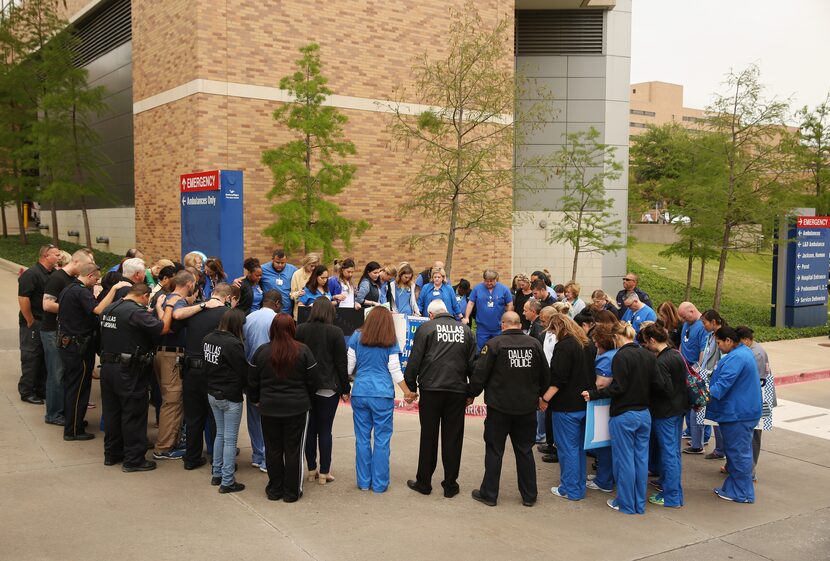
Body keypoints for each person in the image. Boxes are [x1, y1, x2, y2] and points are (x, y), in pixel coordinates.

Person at [467, 312, 549, 507]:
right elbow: (545, 374)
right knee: (525, 451)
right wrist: (543, 397)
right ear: (519, 325)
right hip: (527, 408)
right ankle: (529, 495)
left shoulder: (494, 345)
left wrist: (470, 394)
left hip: (499, 408)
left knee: (495, 450)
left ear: (503, 325)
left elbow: (480, 374)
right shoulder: (534, 344)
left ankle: (489, 494)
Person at [405, 300, 476, 498]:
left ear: (431, 314)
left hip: (431, 389)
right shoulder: (466, 331)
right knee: (453, 438)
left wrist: (411, 387)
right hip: (456, 390)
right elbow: (474, 364)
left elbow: (415, 358)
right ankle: (450, 485)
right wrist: (471, 392)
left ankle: (424, 483)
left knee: (428, 435)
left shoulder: (426, 328)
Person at [99, 283, 174, 472]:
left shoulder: (110, 308)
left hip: (108, 367)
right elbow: (162, 328)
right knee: (133, 413)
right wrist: (167, 307)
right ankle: (134, 460)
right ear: (144, 296)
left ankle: (112, 454)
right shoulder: (135, 312)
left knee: (112, 413)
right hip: (129, 370)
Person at [583, 323, 655, 514]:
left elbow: (618, 387)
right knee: (640, 460)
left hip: (624, 414)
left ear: (616, 337)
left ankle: (625, 503)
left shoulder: (621, 356)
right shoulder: (648, 355)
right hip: (644, 414)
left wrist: (594, 394)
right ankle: (638, 503)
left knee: (625, 461)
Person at [249, 314, 319, 502]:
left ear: (272, 329)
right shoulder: (303, 351)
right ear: (292, 329)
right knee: (294, 450)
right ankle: (291, 491)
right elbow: (314, 381)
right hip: (297, 408)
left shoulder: (262, 352)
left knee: (272, 449)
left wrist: (256, 399)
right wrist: (307, 399)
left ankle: (275, 489)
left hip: (269, 407)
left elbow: (252, 381)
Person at [58, 263, 130, 440]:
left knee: (73, 386)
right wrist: (113, 290)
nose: (97, 282)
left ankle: (74, 421)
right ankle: (73, 430)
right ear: (89, 275)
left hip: (69, 344)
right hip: (78, 346)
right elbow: (98, 310)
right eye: (96, 279)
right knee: (79, 387)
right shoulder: (81, 291)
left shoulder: (69, 288)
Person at [347, 306, 415, 492]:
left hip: (361, 391)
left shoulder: (356, 336)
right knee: (382, 440)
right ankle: (379, 484)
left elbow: (349, 366)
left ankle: (363, 482)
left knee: (361, 438)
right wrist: (407, 392)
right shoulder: (390, 340)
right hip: (382, 394)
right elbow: (394, 369)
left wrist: (345, 388)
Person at [169, 279, 234, 469]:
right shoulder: (227, 314)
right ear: (228, 297)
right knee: (215, 417)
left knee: (194, 416)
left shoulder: (195, 309)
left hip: (190, 369)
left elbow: (176, 324)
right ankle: (217, 459)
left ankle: (192, 458)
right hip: (214, 371)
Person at [540, 314, 595, 501]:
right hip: (583, 404)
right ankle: (577, 486)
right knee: (578, 448)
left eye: (553, 331)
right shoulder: (585, 344)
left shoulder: (564, 347)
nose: (553, 335)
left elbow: (558, 379)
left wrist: (544, 399)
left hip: (565, 406)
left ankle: (570, 489)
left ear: (558, 328)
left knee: (567, 449)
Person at [295, 298, 350, 485]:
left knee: (309, 430)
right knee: (325, 430)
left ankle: (311, 469)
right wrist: (345, 389)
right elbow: (341, 364)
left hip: (306, 387)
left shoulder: (301, 329)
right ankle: (325, 472)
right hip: (328, 387)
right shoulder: (336, 332)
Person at [706, 327, 762, 503]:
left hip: (738, 413)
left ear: (729, 341)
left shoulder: (737, 357)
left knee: (738, 454)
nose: (719, 346)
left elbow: (723, 383)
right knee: (735, 453)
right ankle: (733, 488)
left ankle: (742, 493)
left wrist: (704, 395)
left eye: (720, 343)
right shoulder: (742, 352)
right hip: (740, 411)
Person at [41, 249, 94, 425]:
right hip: (52, 331)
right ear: (77, 262)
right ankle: (54, 413)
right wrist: (73, 309)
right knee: (56, 373)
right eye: (85, 266)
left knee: (65, 374)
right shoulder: (57, 278)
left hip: (65, 331)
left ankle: (67, 413)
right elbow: (47, 304)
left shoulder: (72, 280)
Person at [640, 322, 689, 508]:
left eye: (647, 342)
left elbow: (665, 389)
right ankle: (671, 488)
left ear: (653, 340)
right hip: (678, 410)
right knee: (673, 452)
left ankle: (672, 496)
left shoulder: (661, 362)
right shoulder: (676, 354)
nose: (646, 346)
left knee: (669, 453)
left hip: (665, 413)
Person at [204, 308, 248, 493]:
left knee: (220, 435)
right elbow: (242, 371)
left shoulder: (208, 338)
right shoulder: (233, 344)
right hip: (229, 395)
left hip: (212, 392)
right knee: (230, 440)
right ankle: (227, 481)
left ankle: (217, 473)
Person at [242, 290, 282, 473]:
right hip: (271, 372)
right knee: (270, 418)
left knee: (253, 416)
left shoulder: (249, 318)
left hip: (250, 369)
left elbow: (244, 345)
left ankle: (258, 455)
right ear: (277, 303)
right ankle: (267, 459)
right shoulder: (277, 320)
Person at [18, 244, 61, 405]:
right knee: (31, 356)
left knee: (44, 357)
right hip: (33, 321)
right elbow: (23, 298)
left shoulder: (54, 274)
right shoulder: (31, 274)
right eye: (56, 255)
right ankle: (27, 391)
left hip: (47, 323)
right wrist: (30, 320)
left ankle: (41, 389)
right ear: (45, 256)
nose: (59, 257)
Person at [735, 326, 776, 478]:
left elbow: (752, 380)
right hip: (756, 397)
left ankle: (750, 471)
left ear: (746, 340)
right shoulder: (752, 349)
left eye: (738, 342)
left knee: (753, 436)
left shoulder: (755, 354)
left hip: (759, 399)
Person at [588, 324, 618, 494]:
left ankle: (604, 480)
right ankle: (605, 475)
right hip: (610, 404)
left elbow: (601, 383)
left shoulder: (606, 358)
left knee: (603, 442)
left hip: (603, 404)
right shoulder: (614, 354)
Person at [696, 310, 727, 458]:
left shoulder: (722, 338)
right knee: (711, 416)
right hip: (707, 379)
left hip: (715, 381)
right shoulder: (710, 337)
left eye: (705, 322)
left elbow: (722, 361)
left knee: (718, 417)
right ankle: (719, 448)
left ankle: (722, 450)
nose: (703, 326)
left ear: (714, 322)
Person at [464, 270, 514, 350]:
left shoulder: (504, 289)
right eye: (487, 281)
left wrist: (507, 319)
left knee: (499, 348)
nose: (489, 283)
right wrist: (466, 317)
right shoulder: (477, 288)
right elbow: (470, 303)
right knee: (482, 350)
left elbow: (509, 304)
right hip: (482, 327)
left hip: (499, 327)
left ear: (496, 279)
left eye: (491, 281)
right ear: (484, 280)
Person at [260, 249, 298, 315]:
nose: (280, 265)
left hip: (287, 311)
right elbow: (250, 276)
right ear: (272, 260)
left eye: (283, 263)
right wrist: (237, 280)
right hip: (269, 311)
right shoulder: (263, 269)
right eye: (277, 262)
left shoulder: (293, 269)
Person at [290, 253, 321, 317]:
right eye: (311, 266)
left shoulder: (319, 274)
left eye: (315, 266)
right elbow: (291, 295)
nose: (313, 268)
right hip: (301, 312)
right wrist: (298, 293)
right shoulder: (297, 274)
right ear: (306, 263)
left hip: (317, 313)